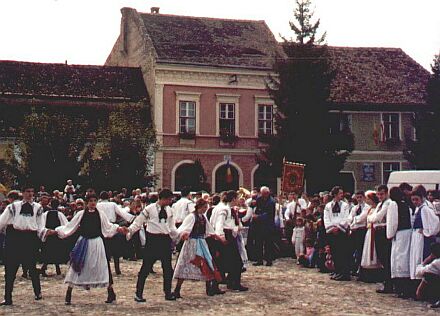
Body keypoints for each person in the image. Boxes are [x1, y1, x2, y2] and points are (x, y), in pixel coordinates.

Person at [54, 193, 127, 305]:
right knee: (77, 266)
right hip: (84, 243)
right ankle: (69, 293)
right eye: (91, 201)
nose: (93, 203)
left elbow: (108, 226)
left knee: (102, 266)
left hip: (97, 243)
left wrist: (119, 229)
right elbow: (71, 226)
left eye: (95, 200)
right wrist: (58, 231)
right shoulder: (81, 214)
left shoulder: (100, 214)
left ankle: (111, 292)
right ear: (86, 202)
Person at [0, 184, 56, 306]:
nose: (30, 194)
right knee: (10, 269)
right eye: (27, 191)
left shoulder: (38, 208)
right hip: (14, 238)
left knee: (32, 267)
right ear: (22, 193)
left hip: (30, 239)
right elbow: (2, 222)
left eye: (32, 191)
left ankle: (38, 293)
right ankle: (7, 298)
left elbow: (40, 226)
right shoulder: (13, 207)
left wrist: (47, 232)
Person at [126, 188, 178, 302]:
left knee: (168, 268)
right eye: (169, 199)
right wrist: (129, 231)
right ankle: (138, 293)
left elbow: (171, 226)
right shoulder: (149, 209)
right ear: (163, 199)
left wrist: (177, 236)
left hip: (165, 240)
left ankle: (168, 292)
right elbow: (138, 222)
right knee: (145, 267)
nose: (170, 202)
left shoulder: (170, 210)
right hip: (153, 240)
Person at [173, 198, 222, 298]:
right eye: (204, 207)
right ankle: (177, 289)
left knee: (207, 263)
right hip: (191, 243)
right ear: (199, 206)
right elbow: (183, 228)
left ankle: (209, 289)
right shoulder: (191, 216)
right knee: (184, 265)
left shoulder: (203, 217)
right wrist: (184, 234)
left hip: (202, 242)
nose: (205, 209)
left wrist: (218, 237)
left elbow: (209, 229)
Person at [212, 190, 248, 291]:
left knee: (224, 261)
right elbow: (220, 223)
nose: (238, 200)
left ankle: (228, 282)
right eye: (237, 198)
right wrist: (221, 235)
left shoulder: (224, 208)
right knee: (236, 262)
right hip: (226, 236)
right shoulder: (224, 209)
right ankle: (233, 284)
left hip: (227, 235)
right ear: (233, 199)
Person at [97, 191, 135, 275]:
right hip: (113, 227)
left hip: (102, 228)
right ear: (108, 197)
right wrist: (131, 218)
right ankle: (117, 269)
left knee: (104, 249)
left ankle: (106, 270)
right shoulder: (113, 204)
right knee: (115, 249)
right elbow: (121, 212)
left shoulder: (97, 205)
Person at [387, 187, 413, 298]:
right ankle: (405, 288)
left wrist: (390, 234)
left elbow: (393, 221)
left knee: (398, 259)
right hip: (408, 233)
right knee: (405, 258)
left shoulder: (393, 204)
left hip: (400, 233)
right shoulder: (406, 204)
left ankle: (401, 288)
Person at [409, 189, 440, 281]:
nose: (415, 202)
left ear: (422, 198)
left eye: (416, 199)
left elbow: (436, 222)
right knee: (415, 257)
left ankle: (420, 279)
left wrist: (427, 232)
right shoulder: (419, 208)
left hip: (422, 238)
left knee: (420, 256)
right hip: (416, 236)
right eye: (413, 200)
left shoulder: (425, 209)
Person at [323, 186, 351, 281]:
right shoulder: (328, 206)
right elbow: (326, 218)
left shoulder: (345, 205)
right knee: (334, 252)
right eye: (340, 193)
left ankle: (344, 273)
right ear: (335, 194)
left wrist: (338, 227)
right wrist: (331, 228)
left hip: (341, 231)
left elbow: (346, 218)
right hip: (332, 231)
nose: (342, 195)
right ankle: (337, 270)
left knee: (342, 252)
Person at [371, 184, 393, 293]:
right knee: (381, 257)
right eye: (378, 194)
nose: (380, 196)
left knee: (386, 257)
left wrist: (373, 218)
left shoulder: (388, 203)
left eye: (382, 194)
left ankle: (388, 283)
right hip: (378, 231)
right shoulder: (380, 204)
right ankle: (386, 281)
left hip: (384, 231)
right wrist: (372, 218)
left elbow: (377, 217)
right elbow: (371, 217)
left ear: (386, 193)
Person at [40, 199, 69, 277]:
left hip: (49, 235)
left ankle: (45, 268)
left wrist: (46, 231)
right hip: (55, 235)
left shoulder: (45, 214)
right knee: (56, 252)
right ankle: (56, 269)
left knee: (48, 252)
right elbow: (65, 225)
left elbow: (42, 225)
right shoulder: (60, 214)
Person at [360, 191, 382, 275]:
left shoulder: (377, 208)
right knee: (367, 250)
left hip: (373, 230)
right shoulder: (369, 208)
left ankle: (375, 269)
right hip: (369, 230)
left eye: (368, 199)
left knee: (373, 250)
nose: (367, 200)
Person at [252, 186, 275, 267]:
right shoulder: (259, 199)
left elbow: (268, 214)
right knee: (258, 242)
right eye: (261, 194)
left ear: (267, 193)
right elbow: (256, 207)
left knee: (268, 243)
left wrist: (258, 217)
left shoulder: (271, 202)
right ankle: (259, 260)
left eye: (263, 194)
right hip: (259, 225)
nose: (262, 195)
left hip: (268, 225)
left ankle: (269, 260)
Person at [349, 191, 369, 276]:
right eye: (357, 197)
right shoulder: (354, 208)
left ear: (364, 197)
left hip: (362, 230)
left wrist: (354, 220)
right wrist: (351, 222)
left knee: (361, 250)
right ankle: (353, 268)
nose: (359, 199)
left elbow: (362, 218)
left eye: (360, 197)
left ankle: (360, 270)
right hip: (354, 230)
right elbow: (350, 217)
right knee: (352, 250)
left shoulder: (367, 207)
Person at [415, 243, 440, 308]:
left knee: (428, 275)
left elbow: (418, 272)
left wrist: (425, 262)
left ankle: (435, 298)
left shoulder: (436, 262)